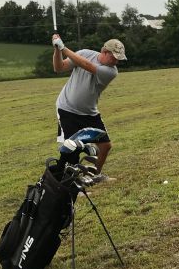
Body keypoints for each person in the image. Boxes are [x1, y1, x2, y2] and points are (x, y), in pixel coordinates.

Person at [52, 34, 126, 181]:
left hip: (90, 112)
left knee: (105, 145)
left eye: (119, 58)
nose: (116, 61)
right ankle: (72, 184)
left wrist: (63, 47)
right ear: (104, 51)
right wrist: (57, 50)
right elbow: (58, 68)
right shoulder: (84, 53)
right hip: (67, 109)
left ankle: (94, 175)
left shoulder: (111, 71)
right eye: (114, 57)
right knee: (72, 148)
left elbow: (87, 65)